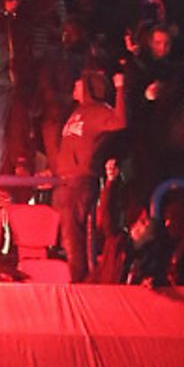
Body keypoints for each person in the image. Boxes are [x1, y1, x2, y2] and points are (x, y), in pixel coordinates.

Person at [56, 70, 127, 282]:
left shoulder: (98, 112)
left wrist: (120, 88)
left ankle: (81, 281)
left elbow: (120, 121)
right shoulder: (77, 112)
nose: (74, 86)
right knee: (68, 236)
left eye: (79, 84)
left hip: (80, 182)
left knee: (77, 237)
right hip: (65, 182)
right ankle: (76, 275)